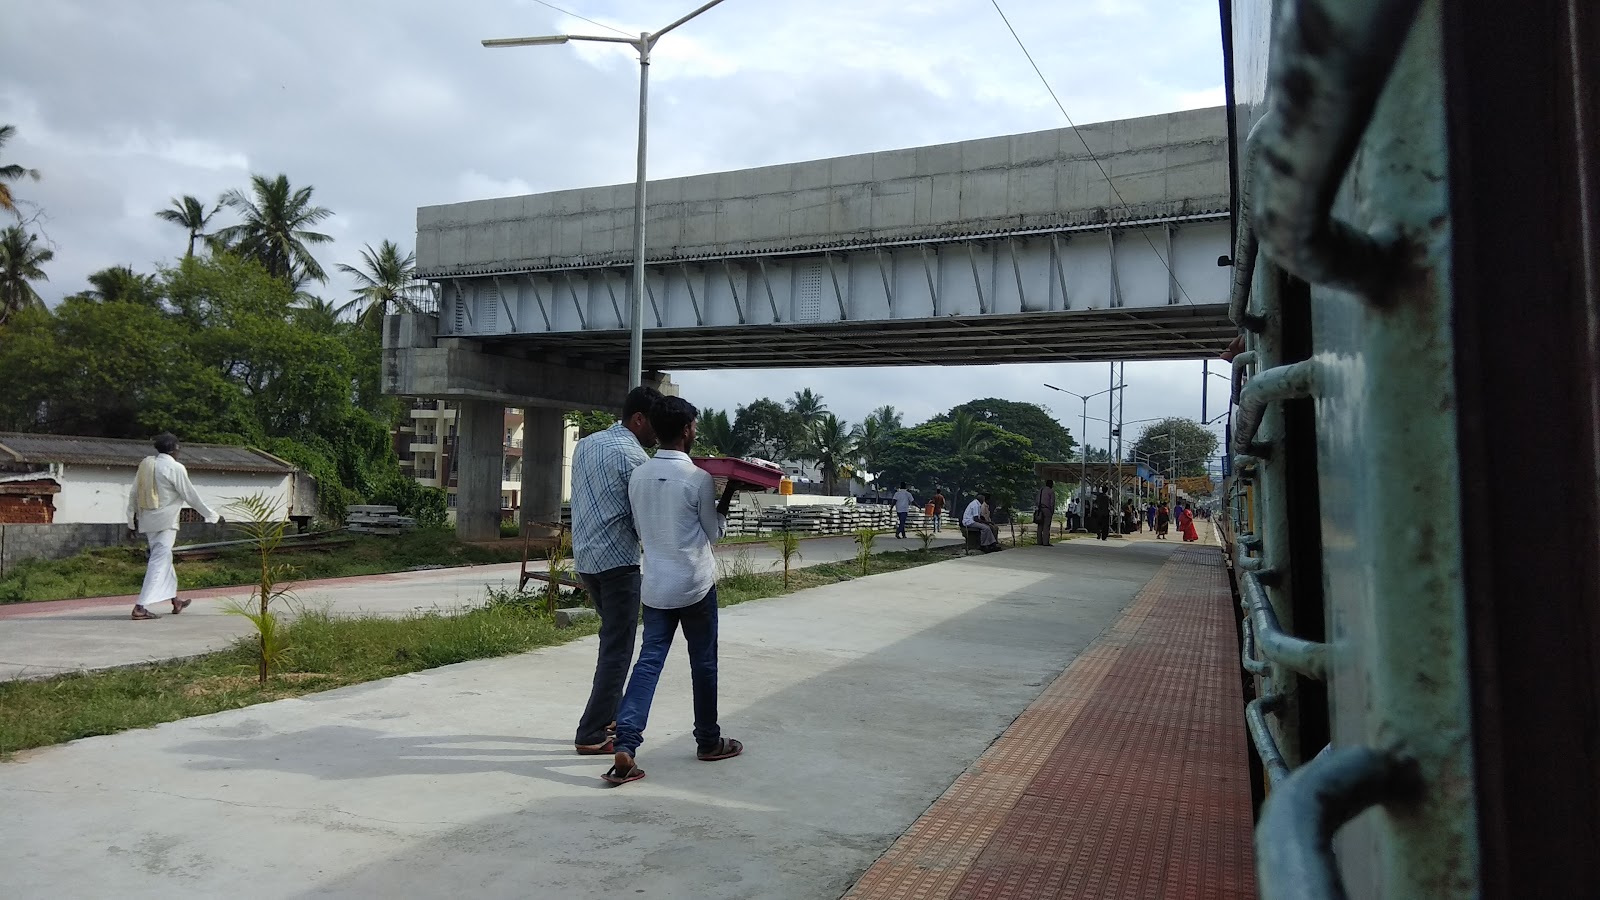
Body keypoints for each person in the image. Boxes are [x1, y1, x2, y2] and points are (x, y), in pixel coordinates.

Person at [605, 396, 743, 785]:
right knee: (703, 663)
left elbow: (641, 526)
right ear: (685, 431)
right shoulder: (698, 478)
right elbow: (713, 534)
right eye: (694, 427)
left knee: (648, 662)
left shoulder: (638, 475)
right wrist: (726, 498)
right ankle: (708, 740)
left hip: (656, 585)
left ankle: (627, 744)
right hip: (695, 584)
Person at [571, 386, 661, 756]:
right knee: (618, 649)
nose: (657, 433)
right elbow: (644, 520)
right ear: (638, 419)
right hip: (619, 564)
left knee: (611, 641)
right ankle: (591, 732)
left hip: (587, 562)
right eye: (655, 425)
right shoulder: (634, 458)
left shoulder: (586, 444)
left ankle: (608, 716)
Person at [125, 433, 222, 620]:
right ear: (173, 449)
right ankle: (140, 607)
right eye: (179, 448)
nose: (180, 451)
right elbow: (191, 496)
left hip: (147, 520)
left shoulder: (146, 466)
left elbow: (133, 494)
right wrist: (214, 516)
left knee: (164, 558)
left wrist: (131, 522)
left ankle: (175, 600)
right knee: (159, 561)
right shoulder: (174, 467)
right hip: (165, 522)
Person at [1034, 480, 1058, 546]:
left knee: (1040, 526)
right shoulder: (1051, 491)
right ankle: (1045, 542)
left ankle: (1039, 541)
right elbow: (1052, 503)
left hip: (1040, 509)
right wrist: (1052, 511)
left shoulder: (1041, 490)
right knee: (1046, 526)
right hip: (1047, 509)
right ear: (1051, 485)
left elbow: (1037, 500)